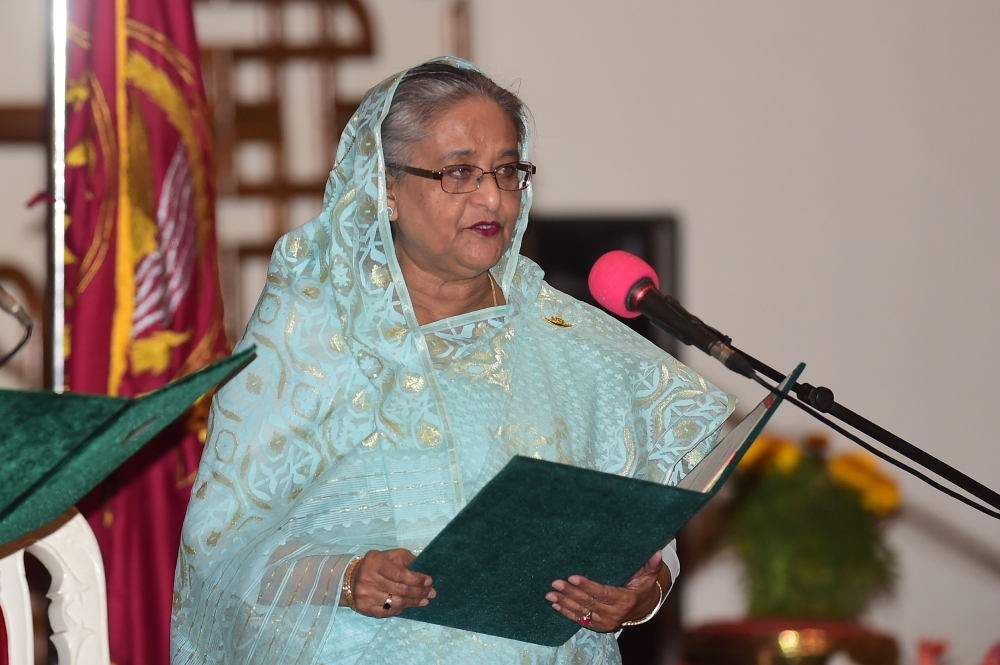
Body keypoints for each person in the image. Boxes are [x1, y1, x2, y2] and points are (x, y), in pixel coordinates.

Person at [171, 57, 734, 665]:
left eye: (507, 170)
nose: (492, 195)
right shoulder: (312, 336)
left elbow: (645, 529)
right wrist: (344, 575)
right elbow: (224, 546)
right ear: (385, 188)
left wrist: (642, 594)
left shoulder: (571, 340)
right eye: (460, 172)